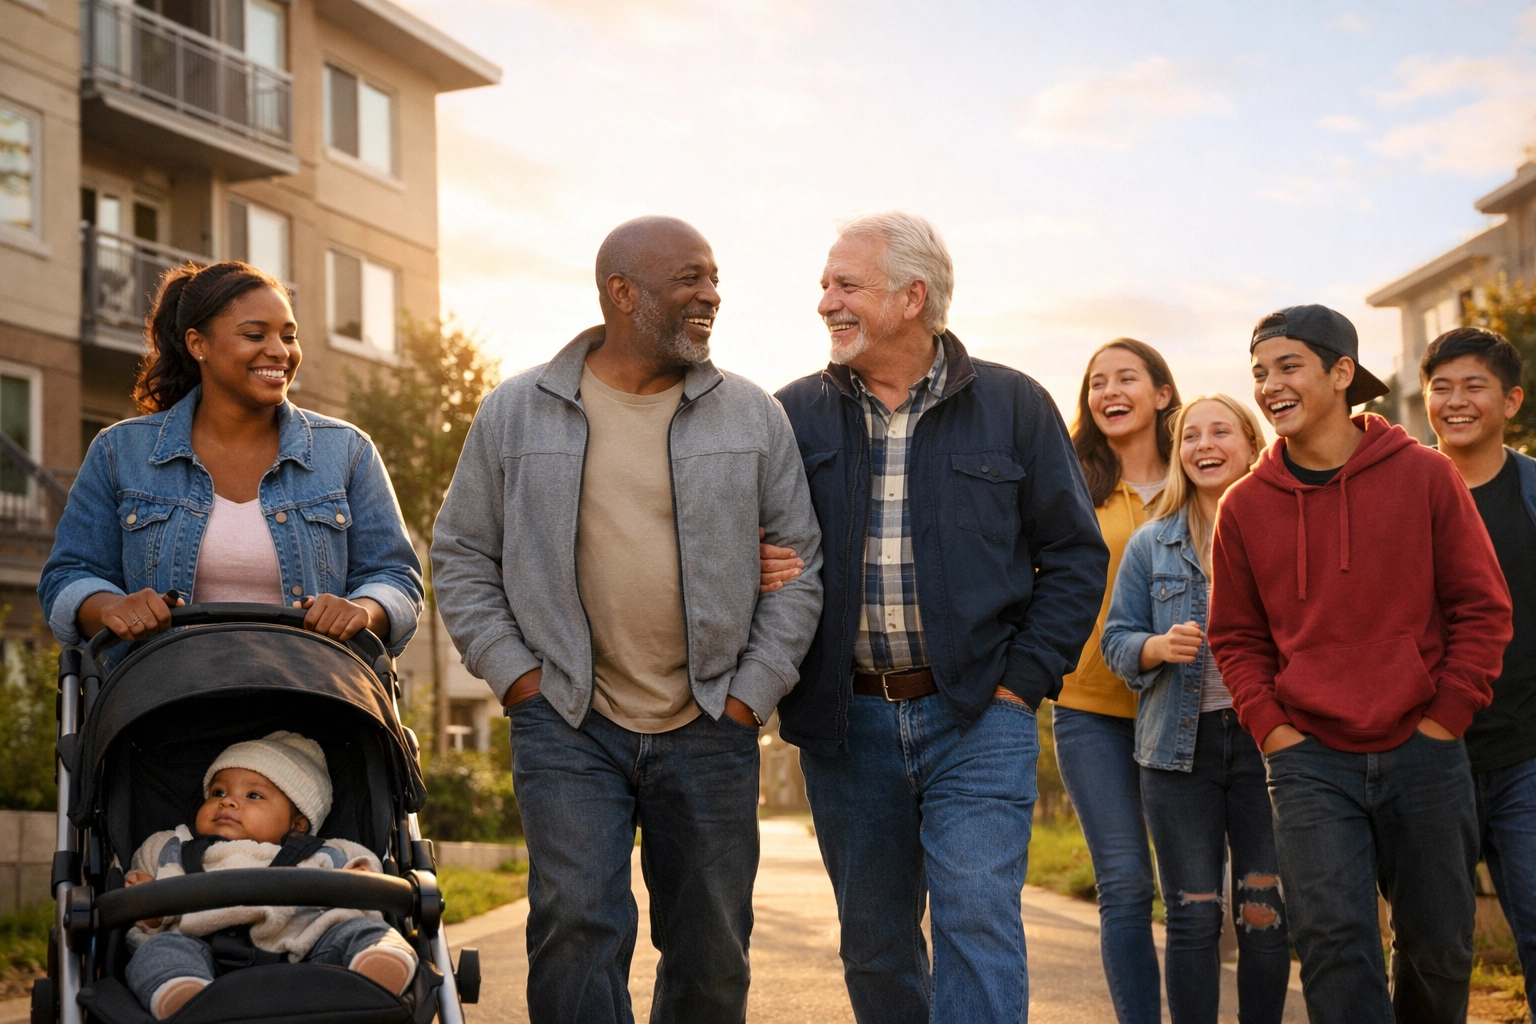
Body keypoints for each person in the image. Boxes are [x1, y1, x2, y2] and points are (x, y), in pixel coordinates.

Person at [430, 217, 823, 1024]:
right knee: (576, 931)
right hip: (567, 722)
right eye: (689, 279)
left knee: (712, 948)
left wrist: (749, 693)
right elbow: (462, 553)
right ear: (622, 292)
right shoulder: (517, 412)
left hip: (712, 722)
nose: (711, 295)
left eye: (714, 278)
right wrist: (519, 679)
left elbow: (799, 567)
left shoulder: (752, 416)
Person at [772, 211, 1107, 1024]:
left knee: (978, 919)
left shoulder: (1016, 405)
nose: (825, 303)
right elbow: (740, 544)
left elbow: (1074, 555)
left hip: (978, 716)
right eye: (825, 284)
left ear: (912, 296)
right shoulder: (788, 414)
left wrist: (1021, 685)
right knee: (876, 944)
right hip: (845, 722)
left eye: (846, 285)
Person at [1208, 304, 1512, 1023]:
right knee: (1333, 944)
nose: (1270, 386)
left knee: (1439, 947)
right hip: (1309, 758)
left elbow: (1481, 608)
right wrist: (1275, 733)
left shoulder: (1426, 477)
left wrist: (1445, 719)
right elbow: (1237, 638)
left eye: (1289, 367)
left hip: (1425, 750)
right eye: (1259, 372)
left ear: (1342, 373)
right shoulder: (1245, 507)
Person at [39, 261, 422, 653]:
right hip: (163, 700)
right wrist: (113, 608)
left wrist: (363, 610)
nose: (279, 351)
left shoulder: (347, 451)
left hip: (313, 697)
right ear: (197, 344)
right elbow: (69, 577)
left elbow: (395, 576)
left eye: (289, 336)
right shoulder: (119, 452)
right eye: (255, 334)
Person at [1102, 395, 1289, 1024]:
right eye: (1190, 436)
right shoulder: (1153, 542)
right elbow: (1116, 640)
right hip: (1178, 751)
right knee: (1192, 913)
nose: (1204, 445)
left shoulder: (1286, 529)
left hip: (1271, 743)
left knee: (1264, 913)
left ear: (1252, 444)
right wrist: (1155, 646)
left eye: (1220, 432)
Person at [1054, 338, 1179, 1024]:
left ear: (1162, 393)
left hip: (1191, 707)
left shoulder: (1203, 473)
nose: (1109, 392)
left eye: (1126, 377)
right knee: (1126, 884)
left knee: (1194, 891)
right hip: (1092, 710)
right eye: (1097, 382)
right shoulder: (1071, 481)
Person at [123, 732, 417, 1019]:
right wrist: (149, 907)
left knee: (352, 930)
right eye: (218, 792)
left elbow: (364, 867)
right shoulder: (172, 845)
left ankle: (376, 965)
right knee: (159, 951)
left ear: (298, 824)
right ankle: (183, 993)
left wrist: (360, 878)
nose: (228, 802)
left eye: (253, 795)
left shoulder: (323, 852)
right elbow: (142, 878)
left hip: (305, 951)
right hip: (200, 948)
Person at [1420, 326, 1536, 1019]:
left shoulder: (1531, 492)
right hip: (1430, 754)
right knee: (1434, 942)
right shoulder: (1402, 489)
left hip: (1527, 751)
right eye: (1441, 387)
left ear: (1511, 401)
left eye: (1474, 387)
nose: (1454, 402)